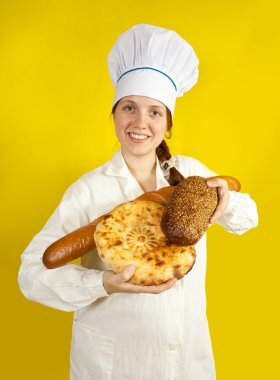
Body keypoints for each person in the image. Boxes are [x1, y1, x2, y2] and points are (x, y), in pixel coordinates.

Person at [18, 24, 258, 380]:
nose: (140, 122)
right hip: (115, 365)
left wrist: (226, 198)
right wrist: (101, 284)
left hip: (187, 361)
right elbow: (32, 274)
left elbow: (249, 218)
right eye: (129, 107)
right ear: (114, 115)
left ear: (167, 124)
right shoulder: (88, 190)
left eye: (154, 112)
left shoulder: (191, 174)